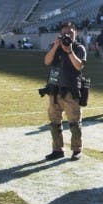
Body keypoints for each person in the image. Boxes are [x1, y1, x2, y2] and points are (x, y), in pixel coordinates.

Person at [43, 21, 87, 161]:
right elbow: (47, 61)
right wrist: (56, 46)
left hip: (71, 90)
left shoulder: (79, 48)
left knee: (74, 122)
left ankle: (76, 150)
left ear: (76, 33)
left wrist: (69, 50)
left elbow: (79, 66)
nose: (67, 35)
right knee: (54, 122)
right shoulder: (56, 47)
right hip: (54, 90)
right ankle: (57, 150)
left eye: (70, 32)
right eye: (64, 33)